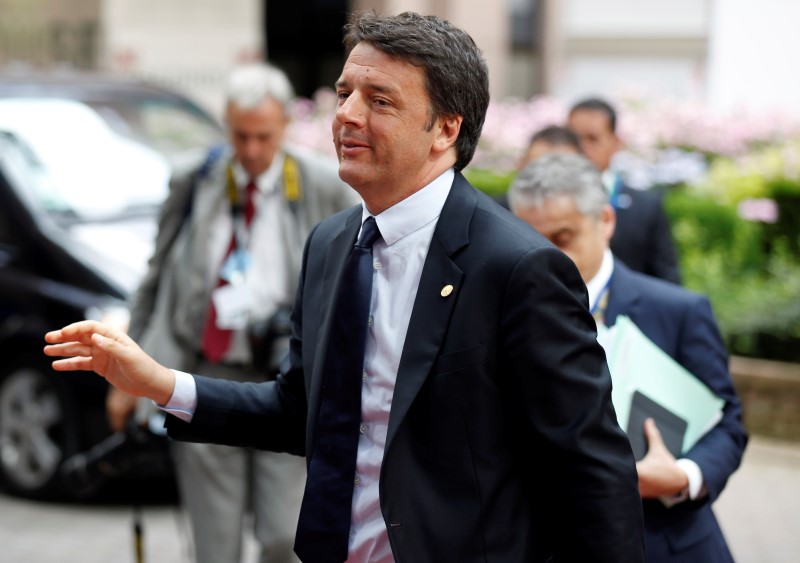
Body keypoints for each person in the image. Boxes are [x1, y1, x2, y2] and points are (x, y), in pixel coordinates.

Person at [45, 11, 645, 563]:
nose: (346, 115)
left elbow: (590, 467)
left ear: (445, 129)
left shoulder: (517, 269)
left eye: (379, 100)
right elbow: (304, 409)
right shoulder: (332, 244)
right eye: (344, 93)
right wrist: (159, 383)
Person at [104, 62, 358, 563]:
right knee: (214, 541)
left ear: (285, 126)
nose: (251, 151)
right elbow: (154, 278)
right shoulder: (195, 181)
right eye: (240, 136)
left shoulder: (321, 185)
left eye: (263, 137)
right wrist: (128, 374)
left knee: (282, 535)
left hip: (283, 381)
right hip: (201, 369)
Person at [508, 152, 748, 562]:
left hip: (663, 539)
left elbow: (727, 422)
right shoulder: (502, 309)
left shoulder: (678, 311)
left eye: (562, 238)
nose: (545, 256)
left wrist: (683, 476)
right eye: (531, 240)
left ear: (606, 220)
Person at [567, 97, 682, 284]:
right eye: (573, 138)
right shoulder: (543, 203)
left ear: (616, 143)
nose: (582, 148)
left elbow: (667, 279)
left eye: (593, 139)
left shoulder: (646, 207)